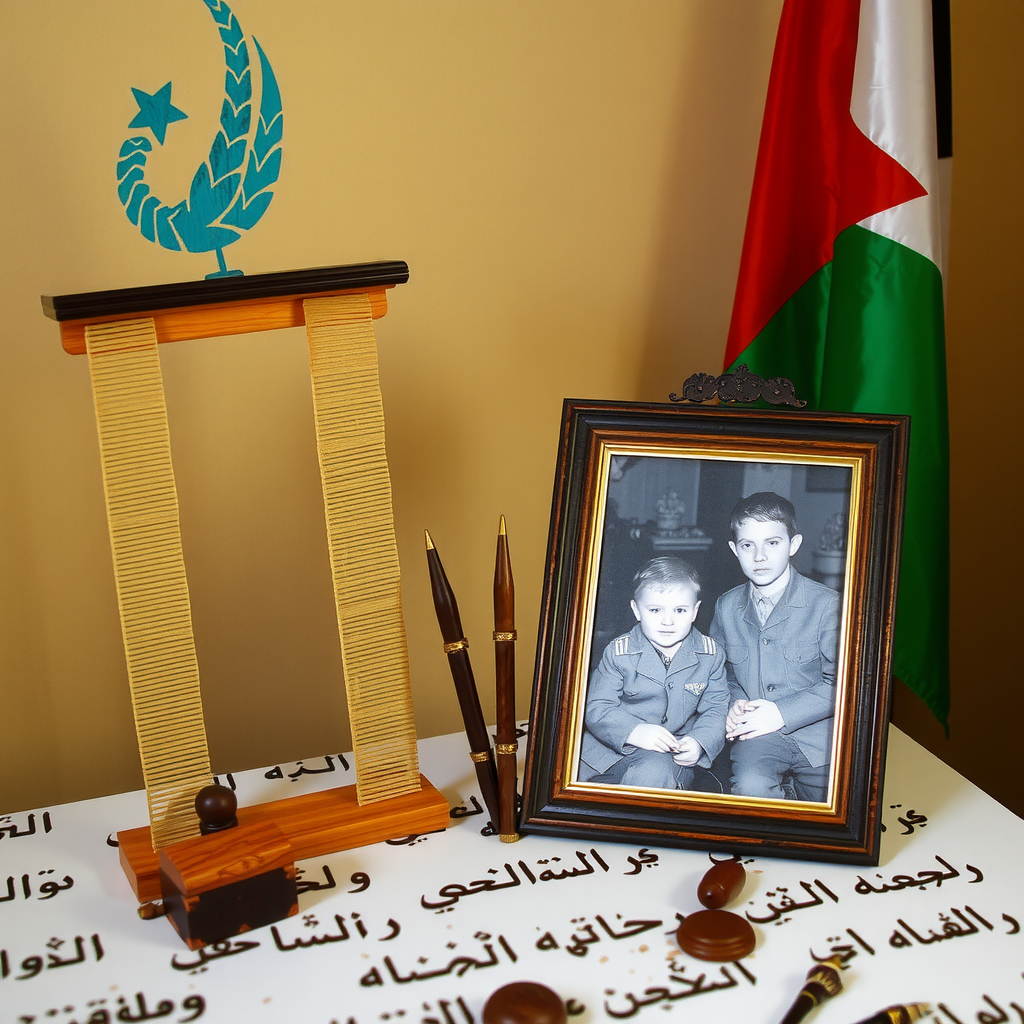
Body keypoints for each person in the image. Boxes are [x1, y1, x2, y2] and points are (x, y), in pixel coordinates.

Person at [709, 492, 840, 802]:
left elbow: (845, 684)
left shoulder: (829, 606)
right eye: (747, 545)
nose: (759, 556)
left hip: (821, 737)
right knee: (750, 787)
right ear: (734, 550)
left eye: (772, 543)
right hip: (759, 735)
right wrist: (733, 704)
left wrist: (782, 712)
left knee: (840, 810)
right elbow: (719, 673)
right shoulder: (726, 607)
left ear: (793, 545)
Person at [580, 556, 729, 789]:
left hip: (670, 753)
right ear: (636, 610)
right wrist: (634, 731)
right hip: (607, 751)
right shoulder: (619, 652)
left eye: (680, 610)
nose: (667, 621)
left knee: (651, 780)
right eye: (655, 610)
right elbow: (597, 707)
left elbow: (716, 709)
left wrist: (700, 742)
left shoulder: (710, 655)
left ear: (694, 611)